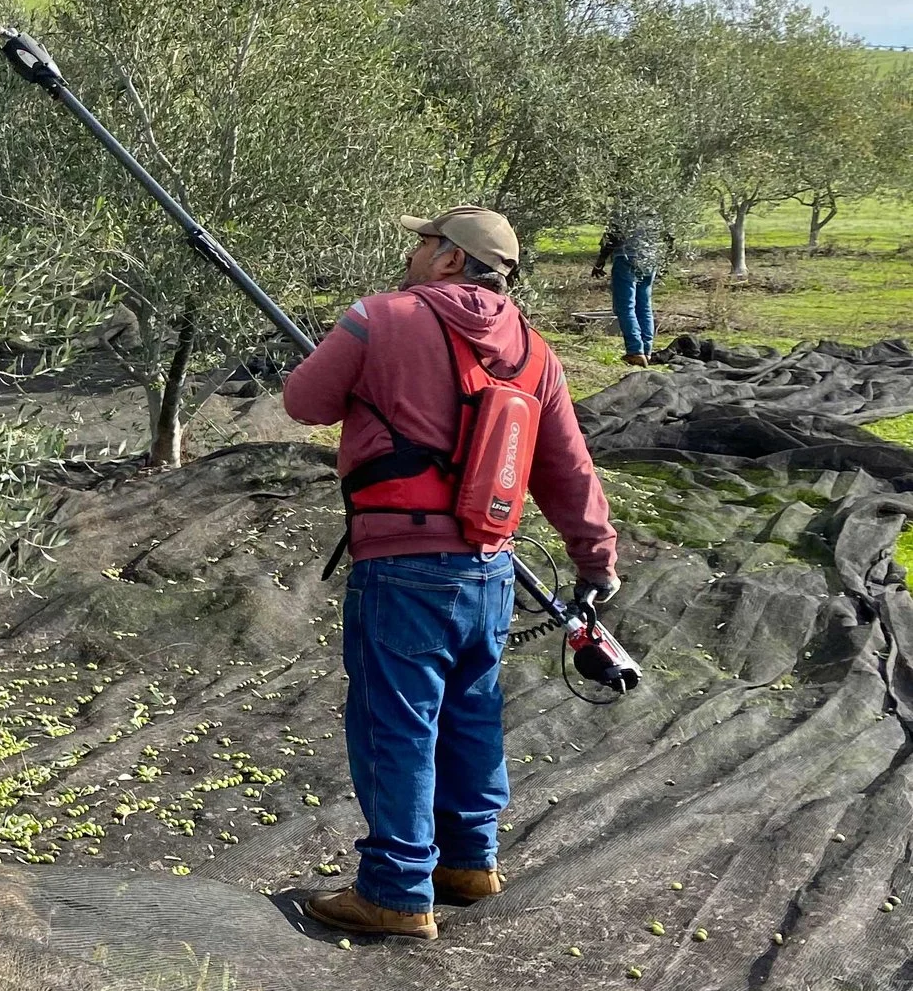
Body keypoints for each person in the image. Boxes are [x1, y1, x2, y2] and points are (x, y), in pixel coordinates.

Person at [281, 206, 618, 942]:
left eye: (424, 240)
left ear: (448, 259)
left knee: (397, 722)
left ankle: (397, 892)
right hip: (489, 569)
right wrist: (597, 559)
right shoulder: (535, 351)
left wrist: (352, 358)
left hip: (399, 567)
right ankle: (469, 860)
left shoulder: (379, 318)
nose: (413, 249)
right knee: (472, 711)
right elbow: (567, 469)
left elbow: (303, 401)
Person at [593, 210, 668, 366]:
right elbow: (668, 233)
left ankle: (635, 351)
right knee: (644, 306)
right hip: (650, 259)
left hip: (626, 257)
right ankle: (646, 351)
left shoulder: (624, 205)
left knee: (626, 307)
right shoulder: (654, 205)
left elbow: (613, 235)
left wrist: (601, 259)